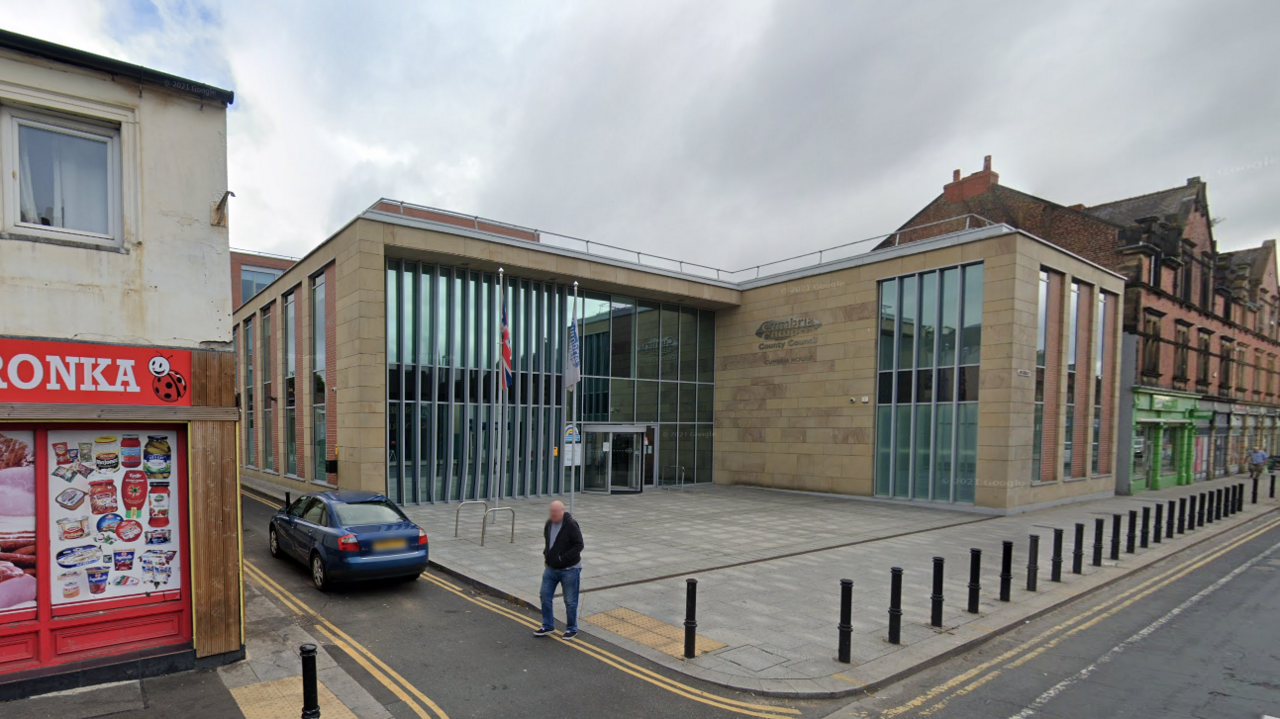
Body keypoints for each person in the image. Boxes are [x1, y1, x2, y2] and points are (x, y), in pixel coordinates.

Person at [535, 500, 584, 639]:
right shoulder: (549, 524)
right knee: (545, 595)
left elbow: (579, 545)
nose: (553, 514)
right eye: (551, 511)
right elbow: (548, 543)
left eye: (556, 511)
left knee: (570, 601)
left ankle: (571, 628)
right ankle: (548, 625)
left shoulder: (571, 525)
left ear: (563, 511)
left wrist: (563, 558)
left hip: (570, 569)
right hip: (551, 569)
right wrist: (547, 557)